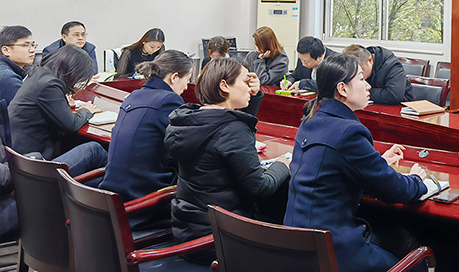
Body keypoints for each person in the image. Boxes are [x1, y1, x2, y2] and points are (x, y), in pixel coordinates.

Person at [284, 54, 428, 272]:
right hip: (331, 250)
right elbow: (394, 190)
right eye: (361, 79)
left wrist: (378, 161)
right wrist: (418, 180)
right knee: (415, 264)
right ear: (342, 89)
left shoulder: (310, 120)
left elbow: (334, 165)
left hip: (296, 244)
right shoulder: (349, 132)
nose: (368, 85)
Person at [165, 58, 290, 264]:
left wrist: (253, 95)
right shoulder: (231, 131)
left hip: (188, 229)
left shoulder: (189, 120)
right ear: (224, 86)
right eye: (244, 82)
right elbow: (259, 188)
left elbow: (226, 125)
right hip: (221, 238)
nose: (249, 87)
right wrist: (282, 164)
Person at [100, 50, 193, 229]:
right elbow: (183, 147)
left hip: (113, 196)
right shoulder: (170, 100)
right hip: (141, 202)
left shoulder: (134, 95)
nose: (187, 87)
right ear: (174, 77)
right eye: (187, 80)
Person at [7, 44, 108, 166]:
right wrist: (86, 110)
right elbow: (71, 124)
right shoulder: (50, 85)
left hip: (16, 152)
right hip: (32, 161)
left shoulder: (39, 73)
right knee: (95, 150)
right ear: (72, 70)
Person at [342, 44, 414, 105]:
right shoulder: (357, 62)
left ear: (370, 60)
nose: (358, 75)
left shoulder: (392, 65)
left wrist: (361, 92)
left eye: (361, 70)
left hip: (400, 109)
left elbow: (393, 95)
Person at [0, 26, 35, 105]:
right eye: (25, 45)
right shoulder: (7, 78)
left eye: (33, 45)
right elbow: (27, 108)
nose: (32, 50)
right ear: (6, 50)